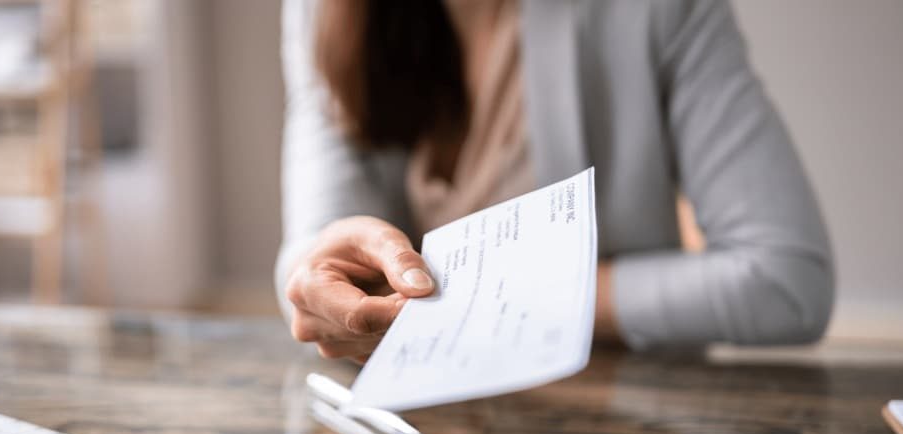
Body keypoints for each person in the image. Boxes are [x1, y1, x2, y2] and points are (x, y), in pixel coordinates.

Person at [275, 0, 834, 362]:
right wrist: (318, 280)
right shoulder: (320, 11)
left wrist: (484, 300)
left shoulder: (658, 11)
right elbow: (311, 251)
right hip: (419, 429)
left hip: (614, 432)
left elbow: (787, 281)